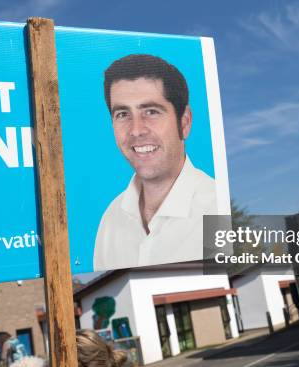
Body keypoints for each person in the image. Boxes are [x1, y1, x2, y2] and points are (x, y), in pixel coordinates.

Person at [93, 54, 217, 270]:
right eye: (122, 114)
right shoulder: (110, 220)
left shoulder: (216, 208)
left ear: (184, 122)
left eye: (151, 111)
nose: (136, 130)